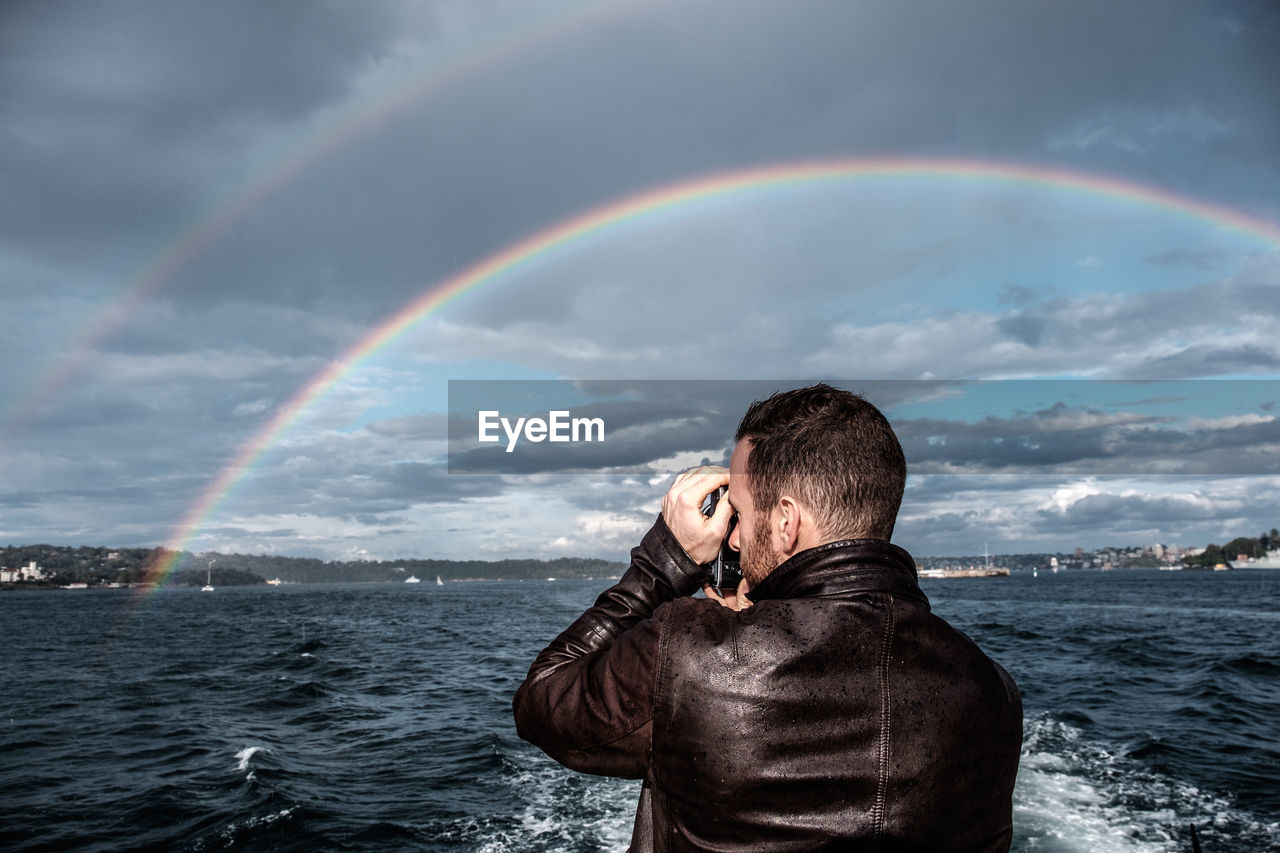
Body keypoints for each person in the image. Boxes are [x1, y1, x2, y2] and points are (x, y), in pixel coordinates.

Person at [513, 384, 1022, 851]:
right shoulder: (995, 689)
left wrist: (662, 561)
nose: (733, 538)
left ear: (785, 521)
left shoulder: (690, 653)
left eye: (740, 512)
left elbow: (542, 699)